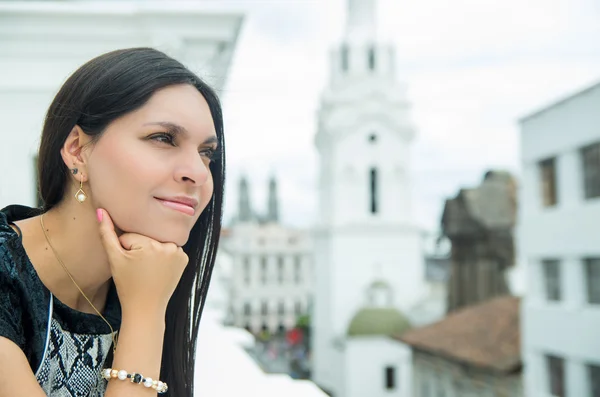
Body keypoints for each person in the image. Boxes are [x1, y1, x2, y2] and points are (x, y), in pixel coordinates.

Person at [0, 47, 225, 396]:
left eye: (206, 153)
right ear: (77, 150)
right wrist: (146, 311)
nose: (198, 173)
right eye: (163, 138)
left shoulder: (144, 277)